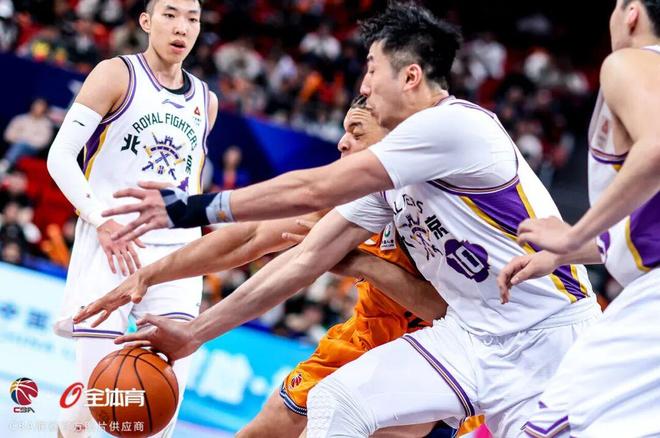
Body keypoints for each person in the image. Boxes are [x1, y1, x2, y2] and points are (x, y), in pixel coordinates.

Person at [82, 3, 600, 436]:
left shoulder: (456, 127)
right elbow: (303, 259)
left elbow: (312, 188)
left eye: (372, 69)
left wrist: (190, 207)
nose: (365, 85)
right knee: (337, 403)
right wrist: (194, 333)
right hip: (468, 335)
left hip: (547, 336)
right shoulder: (387, 183)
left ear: (410, 76)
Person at [75, 98, 484, 437]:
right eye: (344, 130)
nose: (342, 142)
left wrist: (363, 263)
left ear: (397, 142)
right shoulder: (351, 202)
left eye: (357, 133)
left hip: (440, 357)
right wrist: (148, 275)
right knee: (264, 428)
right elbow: (249, 238)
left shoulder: (445, 209)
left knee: (345, 418)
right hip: (362, 339)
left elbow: (455, 314)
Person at [45, 0, 216, 436]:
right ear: (146, 21)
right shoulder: (115, 74)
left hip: (177, 256)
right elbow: (60, 156)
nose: (181, 27)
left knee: (161, 404)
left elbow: (191, 184)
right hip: (114, 244)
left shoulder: (206, 100)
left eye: (192, 19)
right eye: (170, 15)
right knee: (99, 399)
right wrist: (100, 220)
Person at [497, 1, 660, 436]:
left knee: (555, 427)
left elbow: (657, 148)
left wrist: (573, 236)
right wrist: (562, 255)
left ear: (631, 12)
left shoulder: (631, 62)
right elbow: (644, 227)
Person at [0, 97, 53, 175]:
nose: (38, 108)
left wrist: (25, 140)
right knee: (20, 145)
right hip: (14, 145)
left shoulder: (46, 124)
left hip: (33, 150)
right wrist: (22, 140)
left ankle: (5, 165)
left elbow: (43, 142)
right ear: (32, 105)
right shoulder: (20, 118)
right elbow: (8, 135)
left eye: (41, 106)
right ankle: (8, 168)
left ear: (45, 109)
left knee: (22, 144)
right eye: (37, 105)